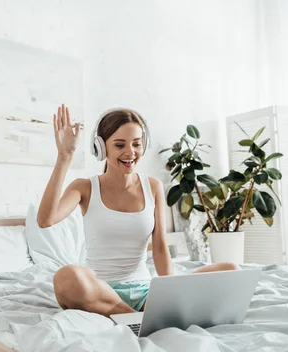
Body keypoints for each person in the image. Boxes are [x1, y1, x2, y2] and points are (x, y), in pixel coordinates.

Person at [37, 104, 238, 318]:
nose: (130, 152)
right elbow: (45, 220)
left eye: (136, 144)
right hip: (100, 292)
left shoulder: (153, 187)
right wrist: (64, 156)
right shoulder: (84, 187)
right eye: (119, 145)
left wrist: (170, 292)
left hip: (145, 292)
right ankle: (135, 316)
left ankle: (142, 314)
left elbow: (160, 246)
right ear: (101, 148)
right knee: (66, 278)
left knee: (230, 269)